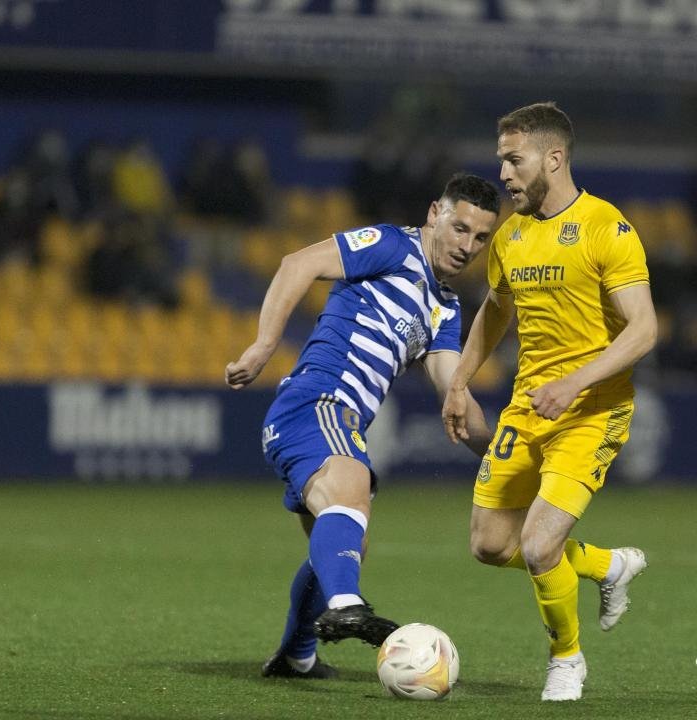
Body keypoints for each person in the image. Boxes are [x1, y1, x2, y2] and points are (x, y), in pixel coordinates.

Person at [226, 173, 501, 679]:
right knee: (352, 487)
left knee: (344, 542)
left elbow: (454, 392)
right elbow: (299, 263)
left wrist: (506, 452)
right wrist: (265, 344)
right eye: (460, 228)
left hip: (334, 416)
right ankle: (348, 607)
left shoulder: (445, 309)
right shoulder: (394, 246)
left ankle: (296, 654)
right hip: (317, 401)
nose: (468, 246)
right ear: (435, 213)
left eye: (481, 238)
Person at [441, 103, 658, 702]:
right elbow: (495, 308)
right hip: (529, 405)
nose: (505, 174)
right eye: (501, 160)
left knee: (537, 545)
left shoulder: (605, 228)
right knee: (489, 545)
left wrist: (575, 384)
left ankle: (567, 660)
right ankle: (605, 565)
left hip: (592, 410)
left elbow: (643, 330)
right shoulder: (511, 233)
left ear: (554, 159)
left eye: (515, 160)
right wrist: (459, 381)